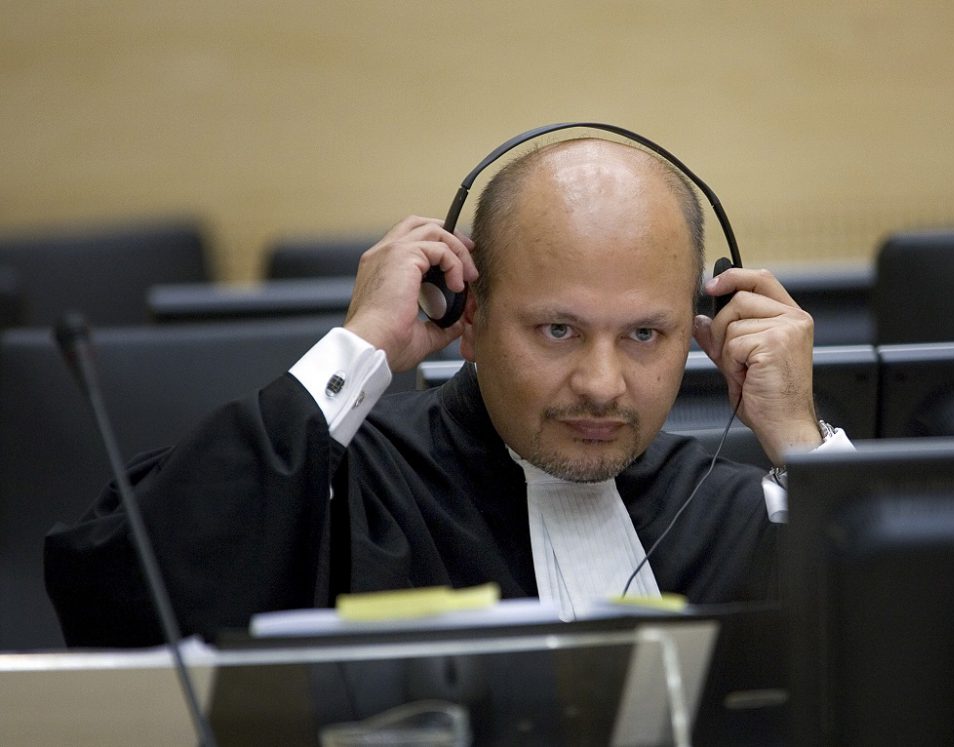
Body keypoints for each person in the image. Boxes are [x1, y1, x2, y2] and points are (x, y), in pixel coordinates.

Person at [45, 137, 850, 647]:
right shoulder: (350, 486)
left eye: (645, 334)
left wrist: (803, 446)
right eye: (557, 330)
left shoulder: (734, 509)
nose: (602, 384)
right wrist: (360, 346)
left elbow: (895, 676)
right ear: (469, 316)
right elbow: (117, 593)